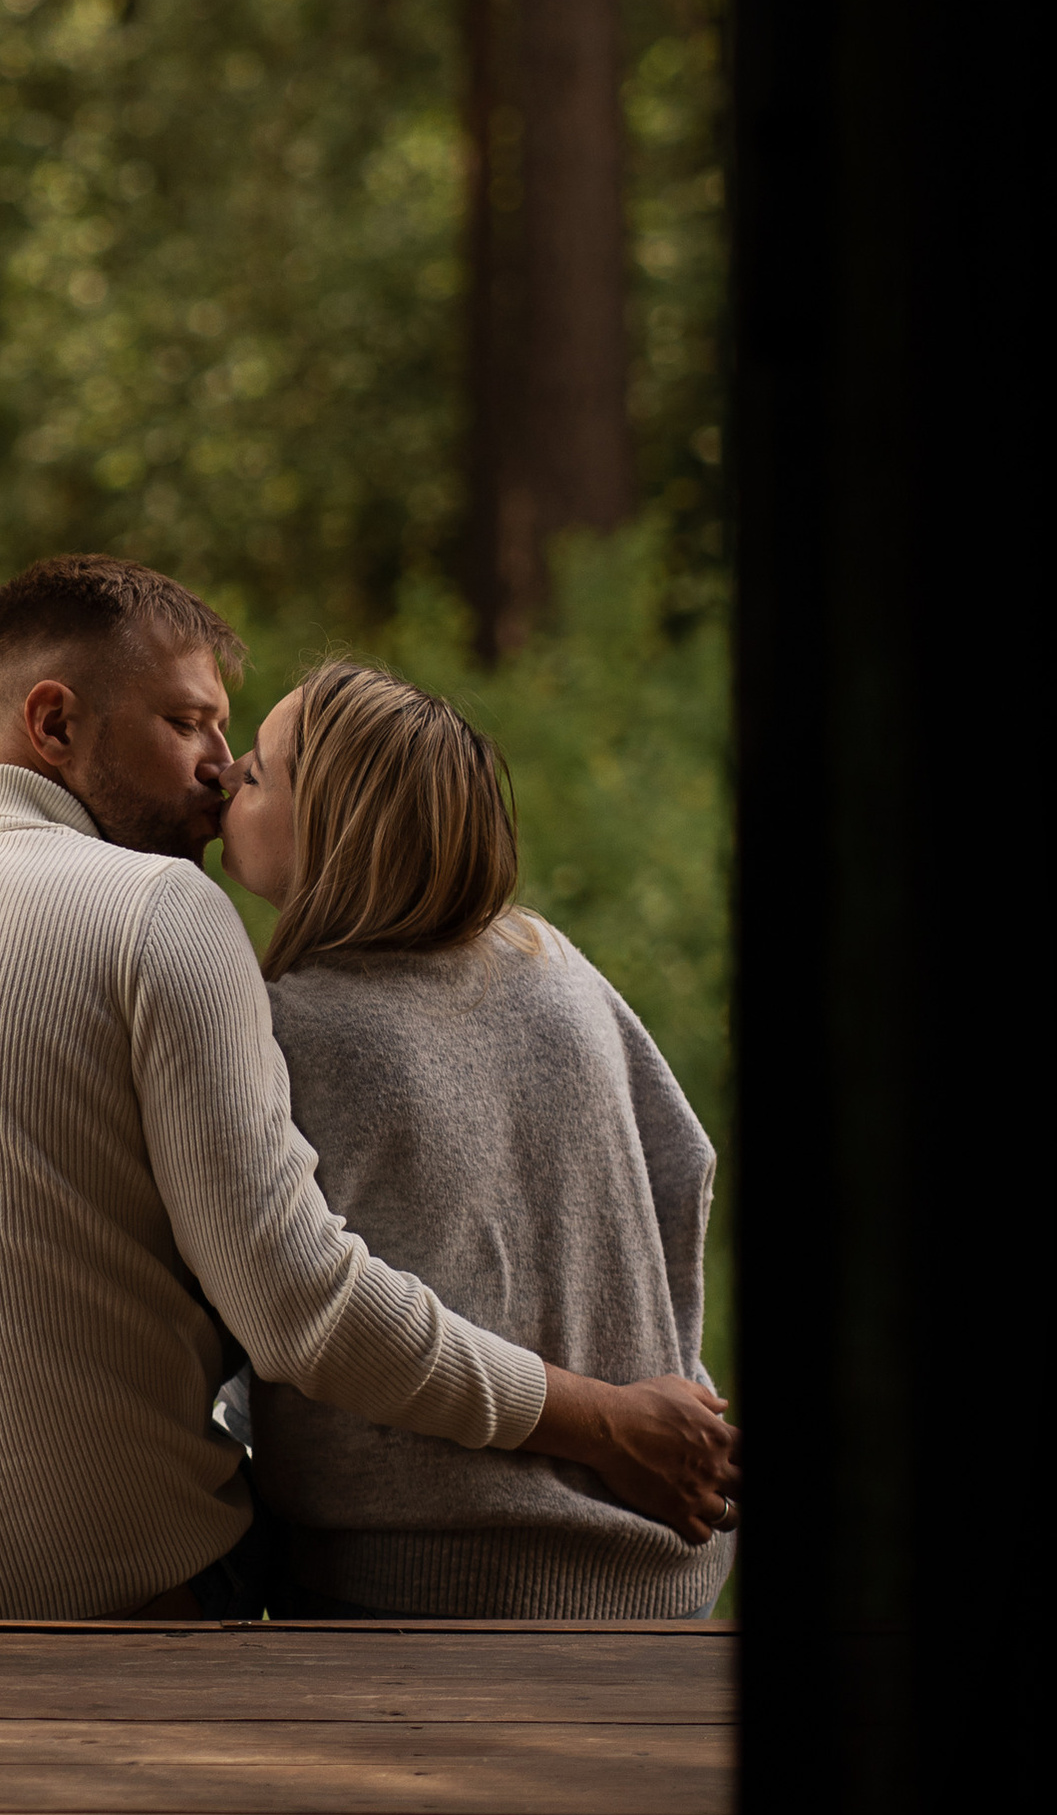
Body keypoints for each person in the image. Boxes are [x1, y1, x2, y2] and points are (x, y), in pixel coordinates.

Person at [0, 554, 732, 1621]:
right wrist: (605, 1417)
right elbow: (301, 1308)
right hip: (101, 1601)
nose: (219, 766)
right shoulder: (160, 908)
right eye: (189, 722)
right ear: (52, 724)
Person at [219, 657, 739, 1620]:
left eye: (256, 772)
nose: (222, 778)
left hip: (422, 1586)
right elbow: (686, 1169)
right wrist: (657, 1371)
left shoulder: (287, 1026)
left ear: (338, 827)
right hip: (663, 1553)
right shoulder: (551, 960)